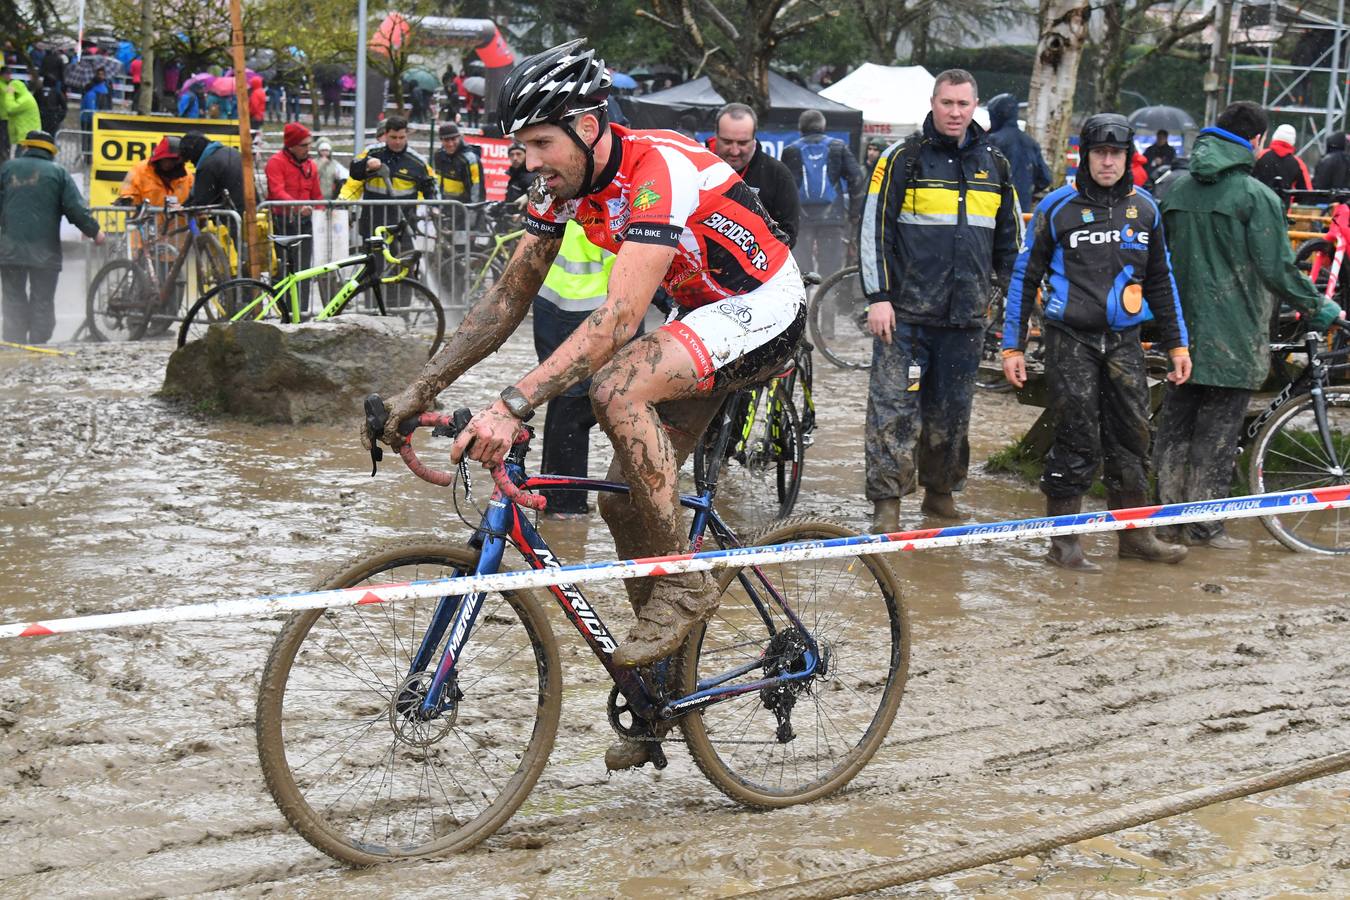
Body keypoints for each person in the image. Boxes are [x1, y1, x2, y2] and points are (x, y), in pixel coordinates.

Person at [363, 42, 803, 772]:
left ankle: (684, 585)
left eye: (541, 143)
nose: (530, 161)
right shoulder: (554, 185)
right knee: (624, 507)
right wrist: (421, 389)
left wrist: (512, 404)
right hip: (704, 319)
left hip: (766, 309)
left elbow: (618, 322)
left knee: (615, 387)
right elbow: (509, 296)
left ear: (591, 126)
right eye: (521, 146)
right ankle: (659, 686)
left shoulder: (655, 169)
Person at [1002, 113, 1192, 571]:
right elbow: (1024, 278)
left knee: (1133, 434)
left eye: (1116, 153)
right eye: (1100, 153)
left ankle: (1136, 537)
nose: (1107, 161)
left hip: (1125, 340)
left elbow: (1162, 279)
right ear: (1085, 155)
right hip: (1070, 338)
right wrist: (1012, 346)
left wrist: (1177, 345)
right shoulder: (1056, 207)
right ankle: (1064, 545)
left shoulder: (1145, 208)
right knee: (1076, 436)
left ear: (1128, 158)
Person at [1157, 101, 1345, 549]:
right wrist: (1320, 308)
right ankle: (1206, 526)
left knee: (1175, 425)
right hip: (1234, 332)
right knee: (1219, 431)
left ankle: (1164, 520)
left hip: (1177, 331)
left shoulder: (1174, 189)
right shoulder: (1256, 197)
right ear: (1256, 142)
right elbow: (1278, 269)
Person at [858, 69, 1020, 532]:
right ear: (933, 103)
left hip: (966, 316)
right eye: (947, 103)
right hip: (904, 315)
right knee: (893, 411)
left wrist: (1015, 303)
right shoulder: (903, 157)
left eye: (963, 104)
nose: (955, 112)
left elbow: (1010, 242)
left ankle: (941, 495)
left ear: (975, 107)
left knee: (952, 412)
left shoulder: (996, 163)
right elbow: (874, 230)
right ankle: (887, 504)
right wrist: (878, 297)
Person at [532, 220, 618, 517]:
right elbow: (630, 281)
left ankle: (551, 495)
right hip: (584, 323)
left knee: (561, 407)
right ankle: (565, 505)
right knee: (575, 414)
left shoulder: (571, 212)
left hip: (552, 316)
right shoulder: (607, 220)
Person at [0, 131, 104, 344]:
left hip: (10, 250)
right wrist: (95, 231)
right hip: (45, 251)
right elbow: (75, 209)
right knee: (43, 299)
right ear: (50, 151)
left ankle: (14, 342)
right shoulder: (58, 173)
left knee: (13, 297)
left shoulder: (7, 169)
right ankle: (38, 343)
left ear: (27, 147)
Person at [781, 108, 863, 278]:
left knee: (802, 268)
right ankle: (828, 301)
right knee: (830, 267)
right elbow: (856, 179)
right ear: (824, 126)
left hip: (801, 219)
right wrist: (854, 213)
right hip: (832, 217)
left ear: (800, 128)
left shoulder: (790, 151)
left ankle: (803, 301)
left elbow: (783, 186)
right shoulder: (838, 147)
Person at [712, 103, 799, 247]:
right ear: (716, 136)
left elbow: (788, 235)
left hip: (758, 264)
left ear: (754, 139)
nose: (734, 151)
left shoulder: (777, 174)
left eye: (742, 143)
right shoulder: (698, 169)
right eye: (727, 142)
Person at [340, 114, 435, 242]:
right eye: (393, 137)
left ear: (407, 135)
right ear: (386, 135)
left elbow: (431, 189)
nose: (397, 142)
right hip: (373, 223)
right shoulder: (372, 152)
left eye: (402, 137)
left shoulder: (418, 162)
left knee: (403, 261)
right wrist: (366, 164)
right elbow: (354, 173)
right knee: (375, 261)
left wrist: (435, 209)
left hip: (403, 225)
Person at [265, 122, 323, 311]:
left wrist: (328, 212)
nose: (308, 149)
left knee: (304, 269)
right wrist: (298, 207)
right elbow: (277, 191)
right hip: (282, 223)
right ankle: (284, 310)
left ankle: (302, 310)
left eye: (309, 144)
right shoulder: (276, 162)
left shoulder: (311, 166)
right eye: (303, 145)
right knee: (283, 270)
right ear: (291, 145)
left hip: (304, 223)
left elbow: (317, 195)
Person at [984, 93, 1052, 213]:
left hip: (994, 209)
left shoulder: (992, 140)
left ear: (997, 115)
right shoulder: (1030, 142)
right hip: (1021, 210)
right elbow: (1045, 178)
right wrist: (1025, 190)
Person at [116, 135, 192, 209]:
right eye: (168, 159)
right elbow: (127, 193)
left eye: (175, 160)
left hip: (177, 221)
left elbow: (195, 200)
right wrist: (126, 200)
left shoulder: (187, 175)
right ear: (160, 157)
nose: (170, 163)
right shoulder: (139, 170)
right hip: (147, 220)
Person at [179, 130, 245, 213]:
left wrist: (182, 208)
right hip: (251, 211)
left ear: (194, 153)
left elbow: (201, 201)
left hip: (229, 217)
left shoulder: (208, 165)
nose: (192, 162)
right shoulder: (233, 152)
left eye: (190, 158)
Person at [1252, 123, 1312, 205]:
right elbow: (1306, 193)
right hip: (1282, 211)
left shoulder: (1260, 156)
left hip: (1258, 205)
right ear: (1293, 141)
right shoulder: (1298, 163)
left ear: (1275, 137)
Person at [432, 122, 483, 203]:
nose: (450, 144)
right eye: (446, 140)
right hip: (445, 206)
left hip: (465, 208)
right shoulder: (438, 156)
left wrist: (472, 211)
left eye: (453, 139)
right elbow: (437, 183)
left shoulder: (470, 159)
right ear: (441, 140)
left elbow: (476, 189)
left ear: (459, 137)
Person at [0, 67, 42, 154]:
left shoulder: (24, 100)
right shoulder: (4, 86)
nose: (9, 76)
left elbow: (10, 108)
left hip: (26, 135)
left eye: (10, 74)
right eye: (7, 74)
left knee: (19, 155)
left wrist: (10, 94)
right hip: (23, 133)